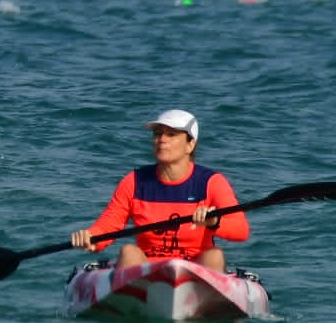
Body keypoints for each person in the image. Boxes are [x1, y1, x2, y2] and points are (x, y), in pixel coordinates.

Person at [72, 109, 248, 272]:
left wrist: (214, 221)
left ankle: (206, 303)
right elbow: (109, 225)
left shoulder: (211, 182)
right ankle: (134, 300)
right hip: (148, 270)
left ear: (190, 145)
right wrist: (91, 238)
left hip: (197, 270)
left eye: (171, 134)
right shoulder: (134, 181)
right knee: (128, 252)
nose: (161, 139)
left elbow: (241, 230)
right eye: (157, 134)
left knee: (215, 255)